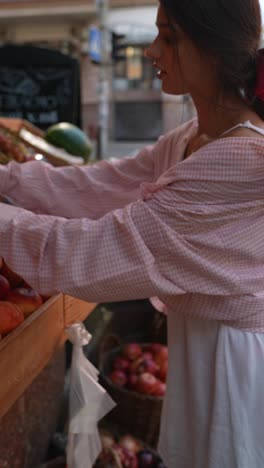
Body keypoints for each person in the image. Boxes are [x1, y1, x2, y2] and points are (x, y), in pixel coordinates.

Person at [0, 0, 264, 466]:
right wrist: (7, 180)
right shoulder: (192, 139)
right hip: (201, 343)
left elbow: (89, 253)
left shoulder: (240, 160)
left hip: (230, 361)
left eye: (169, 37)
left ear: (213, 47)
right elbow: (99, 185)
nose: (151, 51)